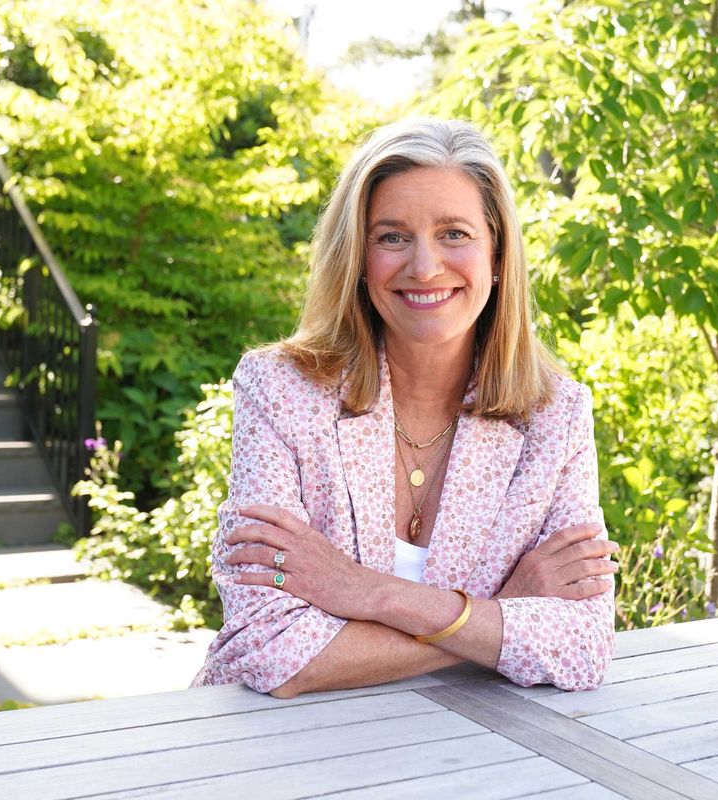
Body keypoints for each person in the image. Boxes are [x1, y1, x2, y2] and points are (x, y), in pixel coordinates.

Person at [190, 118, 619, 698]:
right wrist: (501, 610)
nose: (424, 266)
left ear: (497, 255)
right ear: (358, 259)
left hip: (476, 755)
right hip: (277, 751)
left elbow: (581, 645)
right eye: (391, 236)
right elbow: (268, 649)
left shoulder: (555, 415)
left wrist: (367, 592)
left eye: (455, 234)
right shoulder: (282, 390)